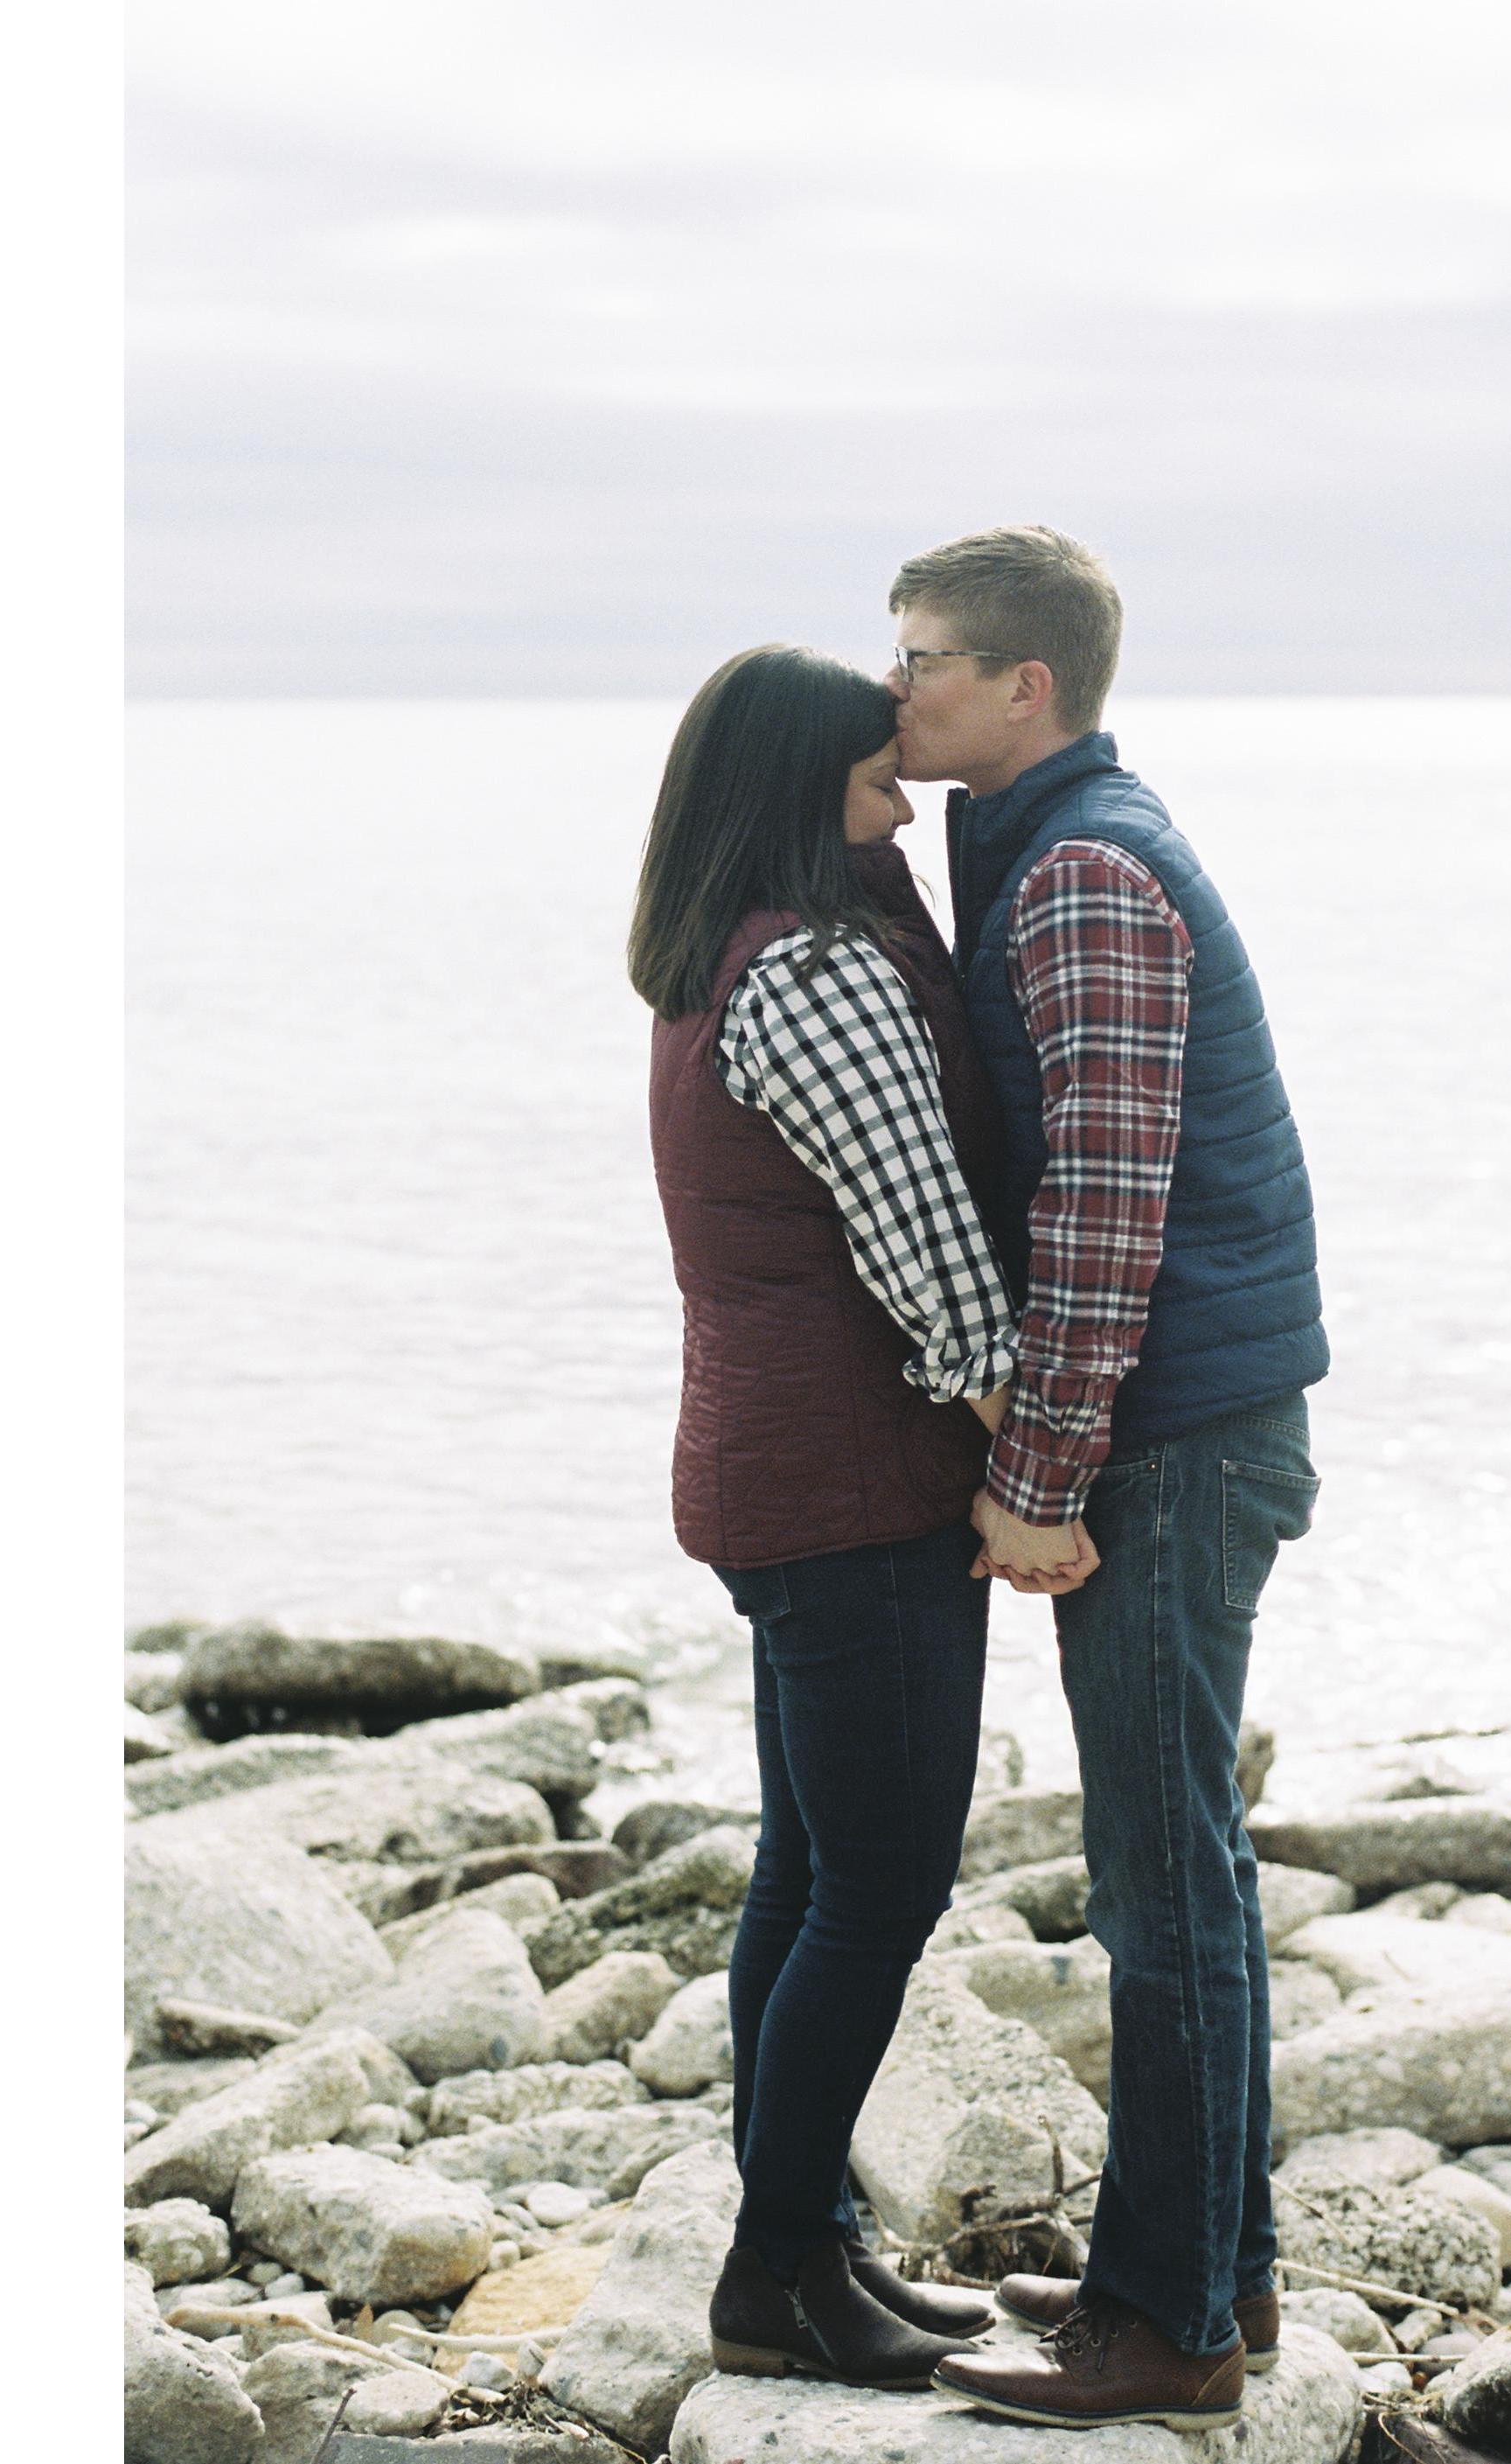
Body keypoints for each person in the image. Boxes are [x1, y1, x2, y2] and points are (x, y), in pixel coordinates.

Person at [887, 529, 1330, 2433]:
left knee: (1158, 1883)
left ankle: (1166, 2328)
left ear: (1025, 686)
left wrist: (1040, 1471)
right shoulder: (1048, 839)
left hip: (1173, 1433)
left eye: (919, 658)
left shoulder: (1079, 867)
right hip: (1189, 1415)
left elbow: (1102, 1201)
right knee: (1181, 1862)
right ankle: (1214, 2266)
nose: (891, 688)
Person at [628, 643, 1091, 2389]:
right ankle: (775, 2269)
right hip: (849, 1494)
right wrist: (1035, 1481)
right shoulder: (815, 969)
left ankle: (807, 2246)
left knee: (809, 1870)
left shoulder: (720, 949)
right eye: (878, 779)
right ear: (795, 790)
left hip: (779, 1478)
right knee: (879, 1883)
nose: (904, 808)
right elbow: (934, 1267)